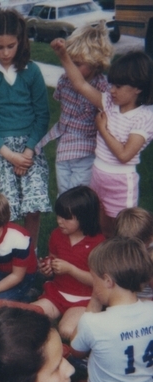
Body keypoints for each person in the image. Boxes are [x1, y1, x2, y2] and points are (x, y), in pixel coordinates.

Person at [48, 237, 153, 382]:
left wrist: (95, 301)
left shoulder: (94, 323)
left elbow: (76, 350)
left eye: (94, 279)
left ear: (107, 281)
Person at [51, 41, 153, 237]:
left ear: (138, 88)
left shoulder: (144, 117)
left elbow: (124, 155)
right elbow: (80, 84)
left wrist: (102, 129)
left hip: (121, 183)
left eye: (119, 86)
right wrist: (63, 55)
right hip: (98, 176)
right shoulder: (109, 103)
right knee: (102, 228)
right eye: (112, 84)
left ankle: (130, 262)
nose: (111, 90)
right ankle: (102, 263)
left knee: (125, 231)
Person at [0, 9, 51, 249]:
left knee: (33, 203)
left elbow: (42, 114)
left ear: (21, 42)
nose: (5, 53)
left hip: (29, 148)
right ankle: (6, 251)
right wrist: (9, 154)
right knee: (3, 207)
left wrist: (27, 152)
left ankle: (30, 252)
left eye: (11, 46)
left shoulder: (32, 72)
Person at [36, 22, 112, 195]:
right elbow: (62, 103)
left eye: (78, 64)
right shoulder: (65, 80)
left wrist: (63, 56)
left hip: (85, 152)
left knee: (78, 198)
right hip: (63, 148)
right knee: (64, 195)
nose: (71, 68)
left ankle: (81, 221)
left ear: (96, 63)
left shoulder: (102, 87)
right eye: (71, 62)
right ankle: (65, 221)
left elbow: (82, 86)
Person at [32, 186, 105, 340]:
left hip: (84, 299)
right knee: (31, 315)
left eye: (66, 218)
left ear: (84, 217)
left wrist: (71, 269)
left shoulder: (98, 243)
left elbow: (99, 281)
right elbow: (53, 259)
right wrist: (48, 268)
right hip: (57, 293)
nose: (59, 221)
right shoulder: (57, 235)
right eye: (58, 216)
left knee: (66, 330)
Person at [114, 206, 153, 300]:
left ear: (150, 239)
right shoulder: (118, 251)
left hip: (146, 300)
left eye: (134, 246)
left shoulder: (150, 257)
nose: (129, 249)